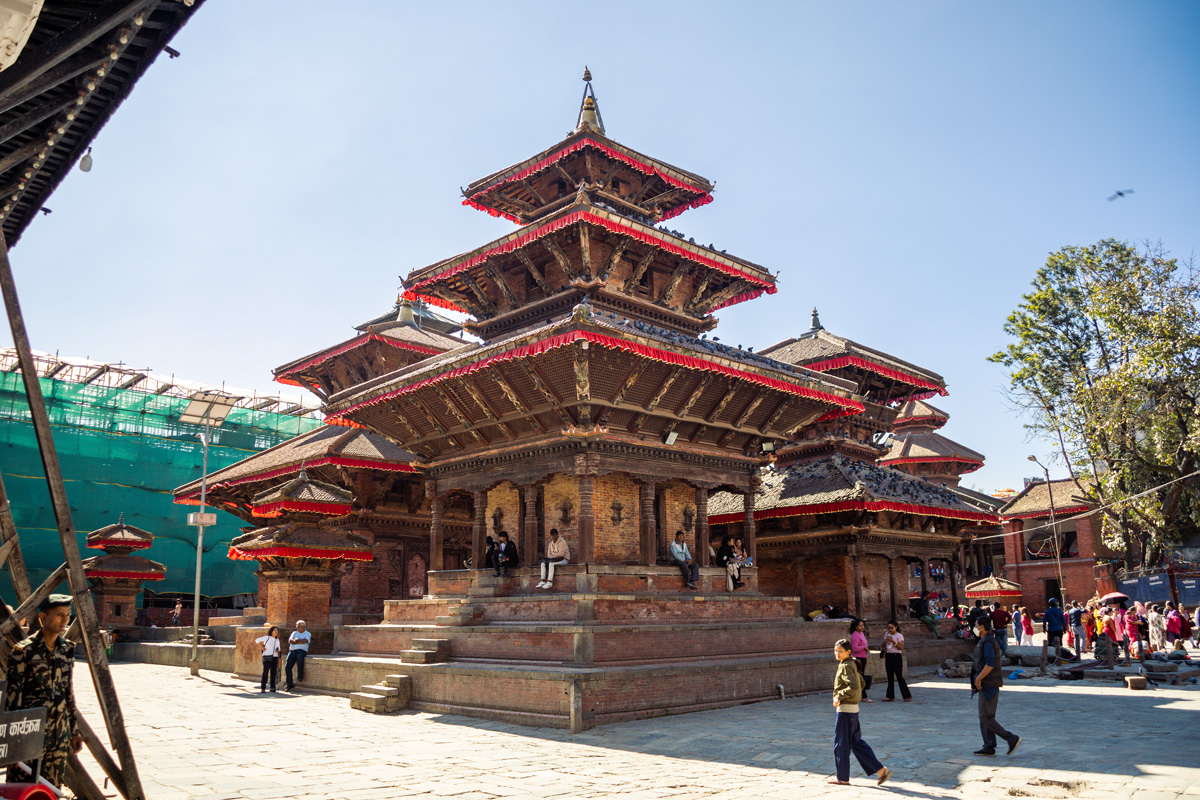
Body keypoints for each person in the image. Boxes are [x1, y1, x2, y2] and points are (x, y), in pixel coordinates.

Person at [4, 594, 83, 788]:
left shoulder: (66, 649)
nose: (65, 620)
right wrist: (13, 746)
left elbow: (68, 691)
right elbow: (13, 700)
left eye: (67, 614)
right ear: (42, 617)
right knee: (25, 790)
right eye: (59, 615)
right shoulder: (24, 651)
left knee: (52, 790)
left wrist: (73, 731)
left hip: (59, 735)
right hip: (30, 736)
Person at [828, 638, 891, 786]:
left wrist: (839, 696)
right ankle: (879, 769)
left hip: (845, 711)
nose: (837, 653)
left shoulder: (845, 666)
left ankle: (843, 777)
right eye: (836, 650)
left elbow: (855, 686)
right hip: (853, 710)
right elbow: (862, 683)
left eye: (840, 651)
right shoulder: (851, 663)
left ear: (848, 652)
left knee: (841, 744)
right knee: (856, 743)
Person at [971, 616, 1020, 757]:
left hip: (989, 683)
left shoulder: (988, 642)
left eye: (976, 625)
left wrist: (979, 679)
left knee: (986, 716)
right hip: (986, 683)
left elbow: (990, 663)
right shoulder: (985, 641)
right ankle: (988, 746)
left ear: (982, 627)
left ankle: (1011, 738)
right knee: (985, 716)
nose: (975, 627)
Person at [881, 620, 911, 702]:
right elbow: (882, 645)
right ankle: (890, 696)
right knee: (889, 677)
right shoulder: (887, 634)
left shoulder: (899, 635)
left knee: (899, 676)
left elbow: (901, 647)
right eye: (889, 628)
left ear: (896, 627)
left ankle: (906, 695)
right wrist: (885, 641)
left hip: (896, 656)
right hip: (889, 656)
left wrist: (893, 642)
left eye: (892, 628)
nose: (890, 630)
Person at [848, 619, 873, 702]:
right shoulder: (855, 635)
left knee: (860, 676)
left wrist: (866, 657)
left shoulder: (861, 633)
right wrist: (864, 647)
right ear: (856, 627)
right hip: (857, 658)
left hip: (862, 657)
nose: (862, 627)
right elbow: (854, 649)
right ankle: (863, 696)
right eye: (860, 626)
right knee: (859, 677)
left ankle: (859, 695)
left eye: (863, 625)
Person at [285, 620, 311, 692]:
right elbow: (290, 641)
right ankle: (289, 684)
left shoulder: (307, 633)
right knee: (287, 667)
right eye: (296, 626)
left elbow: (306, 641)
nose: (297, 627)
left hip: (302, 650)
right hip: (292, 650)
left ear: (303, 626)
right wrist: (299, 641)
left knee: (300, 657)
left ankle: (300, 676)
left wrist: (296, 640)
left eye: (298, 626)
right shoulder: (294, 633)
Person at [256, 625, 282, 693]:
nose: (276, 632)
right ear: (271, 631)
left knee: (273, 672)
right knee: (265, 672)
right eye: (275, 630)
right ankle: (263, 687)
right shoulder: (267, 637)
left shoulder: (277, 640)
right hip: (267, 656)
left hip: (275, 657)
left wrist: (277, 650)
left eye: (277, 630)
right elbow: (257, 640)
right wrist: (262, 647)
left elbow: (279, 648)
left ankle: (272, 687)